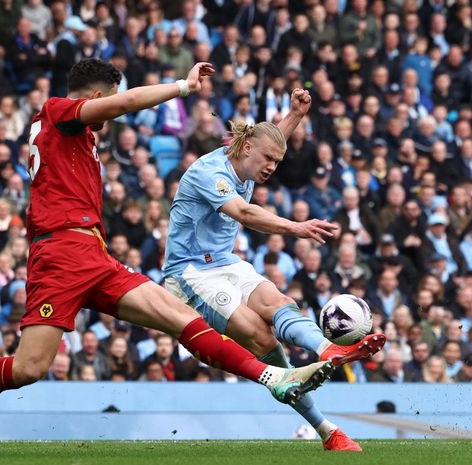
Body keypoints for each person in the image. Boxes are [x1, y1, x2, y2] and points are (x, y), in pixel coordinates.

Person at [0, 59, 335, 456]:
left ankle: (273, 377)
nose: (110, 113)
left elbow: (255, 150)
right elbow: (125, 103)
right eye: (108, 100)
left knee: (178, 315)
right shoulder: (56, 112)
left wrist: (292, 119)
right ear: (96, 95)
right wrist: (182, 87)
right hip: (58, 254)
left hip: (94, 252)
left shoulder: (80, 139)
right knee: (29, 368)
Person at [162, 88, 386, 451]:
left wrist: (296, 115)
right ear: (247, 149)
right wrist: (297, 227)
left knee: (278, 301)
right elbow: (245, 214)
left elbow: (271, 140)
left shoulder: (250, 158)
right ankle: (325, 428)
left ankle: (327, 350)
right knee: (262, 339)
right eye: (269, 160)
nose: (271, 167)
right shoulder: (210, 172)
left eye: (277, 163)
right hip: (189, 274)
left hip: (225, 262)